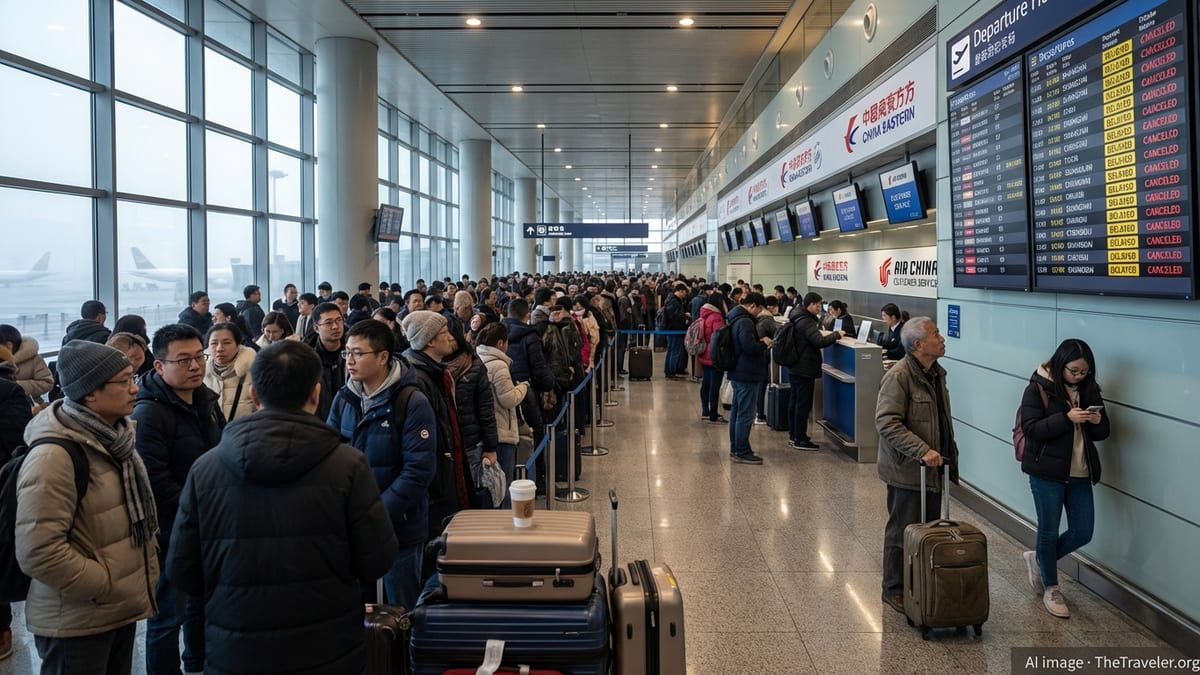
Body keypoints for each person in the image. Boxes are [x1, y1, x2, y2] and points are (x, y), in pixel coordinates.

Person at [168, 340, 399, 674]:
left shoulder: (206, 468)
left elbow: (183, 569)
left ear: (256, 397)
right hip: (327, 645)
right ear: (316, 394)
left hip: (236, 645)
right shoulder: (348, 466)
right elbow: (377, 558)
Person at [16, 341, 158, 673]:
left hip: (114, 611)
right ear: (90, 393)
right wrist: (103, 585)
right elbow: (38, 550)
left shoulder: (116, 439)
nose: (135, 387)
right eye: (124, 380)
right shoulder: (55, 456)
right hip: (78, 620)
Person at [133, 324, 225, 675]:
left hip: (206, 523)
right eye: (183, 360)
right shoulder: (148, 413)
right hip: (169, 530)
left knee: (200, 605)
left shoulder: (205, 397)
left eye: (198, 357)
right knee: (166, 616)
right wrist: (197, 513)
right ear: (159, 366)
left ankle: (198, 664)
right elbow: (155, 481)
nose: (195, 366)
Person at [327, 320, 435, 612]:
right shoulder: (344, 398)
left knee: (401, 611)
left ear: (383, 356)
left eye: (358, 353)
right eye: (347, 353)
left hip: (399, 528)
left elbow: (418, 471)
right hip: (352, 527)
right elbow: (329, 453)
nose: (349, 360)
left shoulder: (412, 401)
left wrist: (374, 513)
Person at [1019, 339, 1110, 619]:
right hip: (1047, 472)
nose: (1079, 377)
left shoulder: (1090, 389)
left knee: (1083, 531)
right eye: (1074, 371)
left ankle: (1038, 559)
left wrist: (1097, 422)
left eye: (1084, 372)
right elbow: (1031, 428)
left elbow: (1104, 431)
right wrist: (1066, 418)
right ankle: (1052, 587)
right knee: (1048, 531)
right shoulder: (1038, 388)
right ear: (1060, 365)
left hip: (1081, 471)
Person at [875, 317, 959, 614]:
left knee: (927, 530)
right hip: (907, 469)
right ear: (919, 344)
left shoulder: (936, 373)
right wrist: (922, 450)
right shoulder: (900, 376)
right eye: (936, 334)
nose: (942, 337)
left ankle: (919, 582)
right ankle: (894, 588)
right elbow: (886, 422)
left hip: (933, 470)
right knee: (902, 531)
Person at [401, 311, 474, 536]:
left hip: (447, 471)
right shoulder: (419, 379)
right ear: (429, 341)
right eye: (444, 332)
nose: (451, 337)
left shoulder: (436, 372)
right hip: (437, 482)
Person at [475, 323, 528, 508]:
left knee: (491, 485)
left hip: (484, 432)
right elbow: (508, 399)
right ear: (500, 343)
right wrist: (523, 387)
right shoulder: (499, 365)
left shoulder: (477, 358)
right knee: (504, 483)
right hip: (502, 432)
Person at [783, 293, 843, 450]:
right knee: (802, 403)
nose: (819, 308)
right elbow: (818, 341)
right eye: (817, 305)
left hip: (796, 366)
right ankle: (800, 438)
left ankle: (794, 434)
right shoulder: (806, 321)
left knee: (795, 402)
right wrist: (836, 335)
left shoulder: (797, 316)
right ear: (809, 305)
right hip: (804, 368)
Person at [725, 293, 772, 464]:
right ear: (753, 305)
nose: (759, 313)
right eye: (759, 309)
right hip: (746, 372)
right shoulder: (745, 321)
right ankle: (742, 451)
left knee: (737, 412)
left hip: (737, 370)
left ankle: (735, 447)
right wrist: (763, 342)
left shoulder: (733, 316)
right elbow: (749, 346)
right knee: (745, 413)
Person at [302, 302, 348, 421]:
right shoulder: (306, 359)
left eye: (339, 320)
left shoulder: (352, 354)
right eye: (329, 323)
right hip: (317, 424)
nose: (335, 326)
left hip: (348, 423)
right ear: (316, 328)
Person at [204, 322, 258, 421]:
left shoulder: (254, 372)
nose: (219, 349)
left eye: (227, 343)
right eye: (214, 343)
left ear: (238, 344)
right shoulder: (203, 375)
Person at [0, 324, 54, 401]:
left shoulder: (33, 358)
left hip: (30, 406)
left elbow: (47, 383)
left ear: (9, 346)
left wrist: (16, 386)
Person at [696, 292, 726, 424]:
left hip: (704, 352)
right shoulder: (717, 317)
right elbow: (719, 337)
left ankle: (705, 411)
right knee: (715, 385)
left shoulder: (704, 313)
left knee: (706, 383)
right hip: (714, 355)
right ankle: (713, 413)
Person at [661, 283, 690, 379]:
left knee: (672, 350)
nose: (685, 294)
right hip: (674, 329)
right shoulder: (673, 301)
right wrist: (684, 319)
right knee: (673, 351)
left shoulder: (675, 300)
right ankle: (670, 372)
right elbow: (674, 316)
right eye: (684, 292)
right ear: (680, 291)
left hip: (674, 329)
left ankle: (670, 371)